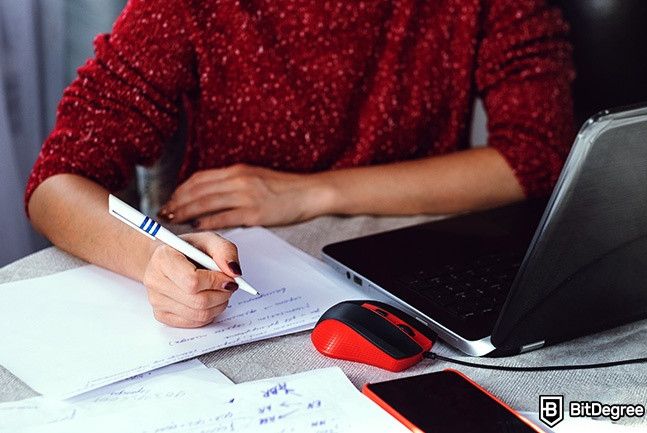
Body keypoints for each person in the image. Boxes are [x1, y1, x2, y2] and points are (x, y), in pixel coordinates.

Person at [25, 0, 575, 328]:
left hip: (414, 276)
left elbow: (536, 155)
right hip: (244, 290)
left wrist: (312, 192)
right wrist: (155, 259)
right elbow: (57, 185)